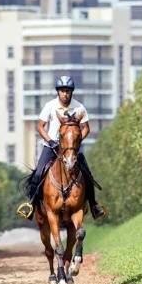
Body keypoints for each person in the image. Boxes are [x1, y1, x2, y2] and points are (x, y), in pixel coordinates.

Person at [16, 75, 106, 220]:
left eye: (68, 91)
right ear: (58, 92)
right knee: (38, 173)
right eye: (63, 91)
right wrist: (50, 141)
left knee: (87, 175)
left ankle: (94, 205)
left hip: (71, 149)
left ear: (72, 92)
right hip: (51, 147)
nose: (65, 94)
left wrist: (75, 142)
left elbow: (86, 128)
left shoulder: (79, 107)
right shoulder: (50, 106)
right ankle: (30, 204)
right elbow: (40, 127)